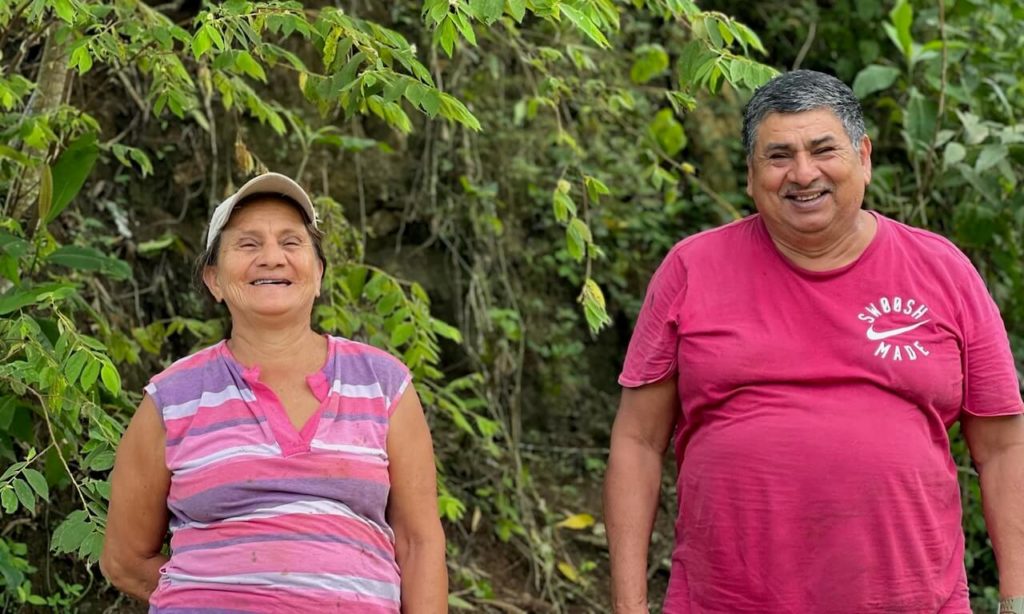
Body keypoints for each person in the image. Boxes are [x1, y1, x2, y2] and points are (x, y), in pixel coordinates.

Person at [604, 70, 1024, 613]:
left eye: (823, 149)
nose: (803, 174)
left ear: (864, 157)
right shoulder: (692, 269)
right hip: (725, 601)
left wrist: (1016, 601)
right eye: (779, 156)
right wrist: (629, 606)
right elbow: (637, 442)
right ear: (751, 177)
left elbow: (1005, 449)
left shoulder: (943, 270)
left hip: (913, 600)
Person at [101, 173, 448, 612]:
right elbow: (124, 559)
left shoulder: (382, 384)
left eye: (291, 242)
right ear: (214, 280)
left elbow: (420, 544)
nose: (271, 258)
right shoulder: (172, 399)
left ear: (318, 274)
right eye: (247, 244)